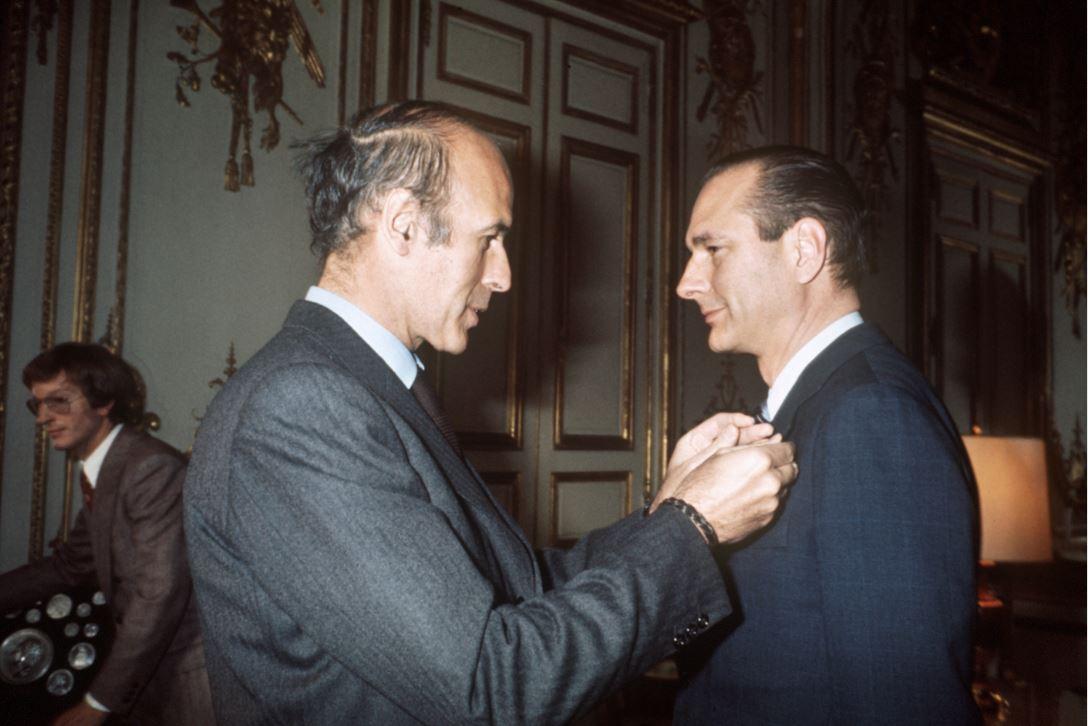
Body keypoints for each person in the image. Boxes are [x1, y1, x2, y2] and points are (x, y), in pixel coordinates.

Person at [183, 100, 798, 725]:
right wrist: (694, 527)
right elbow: (491, 684)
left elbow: (521, 586)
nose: (502, 276)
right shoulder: (301, 406)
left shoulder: (363, 386)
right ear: (401, 225)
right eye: (490, 239)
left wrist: (669, 509)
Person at [670, 146, 979, 724]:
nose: (688, 283)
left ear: (804, 249)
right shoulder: (805, 408)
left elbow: (907, 704)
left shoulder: (873, 416)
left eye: (711, 249)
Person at [0, 342, 213, 726]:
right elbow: (70, 566)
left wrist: (98, 702)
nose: (42, 418)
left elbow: (159, 591)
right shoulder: (106, 471)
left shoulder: (149, 469)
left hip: (186, 676)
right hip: (146, 672)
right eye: (38, 404)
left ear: (103, 403)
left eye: (59, 401)